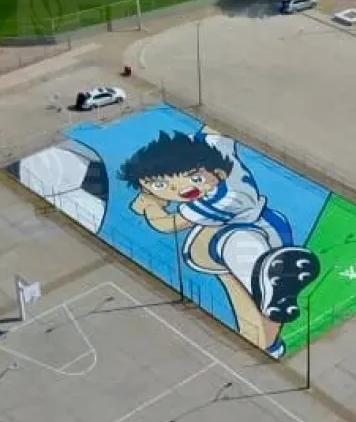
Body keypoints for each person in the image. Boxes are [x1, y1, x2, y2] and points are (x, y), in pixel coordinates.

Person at [119, 127, 319, 357]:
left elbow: (167, 224)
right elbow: (214, 135)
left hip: (255, 232)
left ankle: (268, 274)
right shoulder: (212, 150)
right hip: (222, 245)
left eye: (194, 178)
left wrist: (150, 205)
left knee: (235, 246)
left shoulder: (222, 198)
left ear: (218, 174)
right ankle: (269, 343)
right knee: (249, 305)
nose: (181, 189)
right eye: (161, 185)